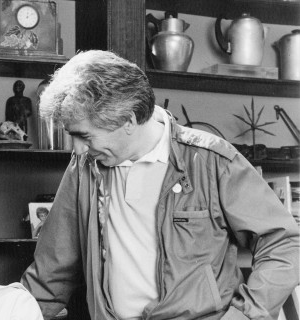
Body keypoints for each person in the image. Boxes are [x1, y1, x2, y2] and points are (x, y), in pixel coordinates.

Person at [21, 50, 299, 320]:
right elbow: (51, 272)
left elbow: (284, 242)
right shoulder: (85, 165)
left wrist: (246, 315)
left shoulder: (212, 159)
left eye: (84, 136)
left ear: (128, 120)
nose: (78, 149)